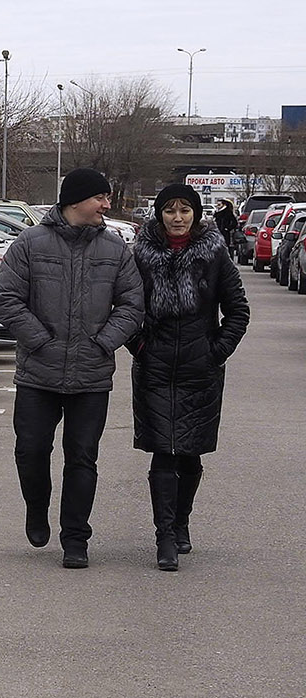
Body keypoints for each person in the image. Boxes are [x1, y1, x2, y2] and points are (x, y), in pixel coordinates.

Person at [0, 168, 145, 569]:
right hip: (38, 374)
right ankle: (37, 508)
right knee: (31, 451)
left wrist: (103, 341)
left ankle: (76, 538)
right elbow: (5, 298)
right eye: (101, 198)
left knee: (82, 458)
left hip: (91, 376)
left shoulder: (114, 249)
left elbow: (132, 305)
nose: (107, 205)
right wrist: (39, 339)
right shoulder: (30, 243)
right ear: (76, 200)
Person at [129, 184, 249, 571]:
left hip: (201, 370)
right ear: (159, 214)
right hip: (156, 367)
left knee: (191, 453)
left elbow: (238, 312)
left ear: (196, 215)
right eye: (169, 211)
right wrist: (141, 347)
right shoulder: (141, 254)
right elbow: (126, 308)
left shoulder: (214, 253)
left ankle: (181, 523)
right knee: (163, 452)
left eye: (185, 211)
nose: (177, 218)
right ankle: (164, 536)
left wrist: (214, 352)